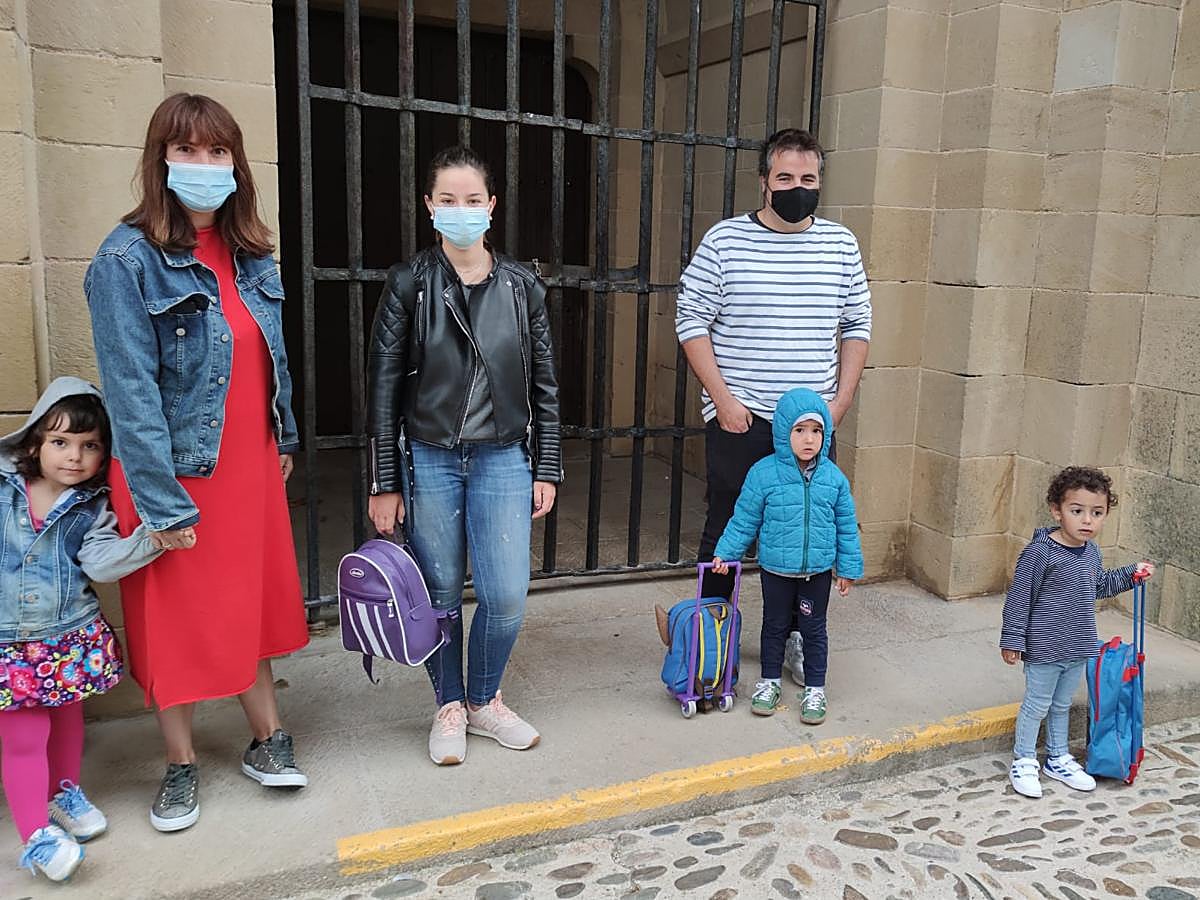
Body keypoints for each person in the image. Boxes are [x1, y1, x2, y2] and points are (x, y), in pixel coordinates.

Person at [84, 94, 310, 833]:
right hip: (174, 473)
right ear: (160, 161)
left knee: (250, 603)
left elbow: (268, 361)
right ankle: (179, 764)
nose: (205, 166)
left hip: (249, 466)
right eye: (188, 151)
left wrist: (284, 437)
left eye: (219, 153)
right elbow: (130, 394)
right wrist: (161, 503)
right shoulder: (125, 260)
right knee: (176, 619)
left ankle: (265, 739)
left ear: (236, 164)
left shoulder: (252, 256)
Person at [367, 145, 562, 767]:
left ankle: (483, 700)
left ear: (491, 206)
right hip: (430, 458)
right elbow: (383, 390)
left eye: (471, 200)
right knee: (443, 592)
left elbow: (546, 385)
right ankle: (449, 704)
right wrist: (384, 481)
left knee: (505, 596)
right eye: (447, 200)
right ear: (429, 207)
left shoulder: (522, 286)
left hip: (504, 457)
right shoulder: (408, 284)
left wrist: (549, 464)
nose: (460, 211)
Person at [675, 128, 872, 684]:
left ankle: (790, 639)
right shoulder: (725, 242)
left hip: (810, 424)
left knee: (806, 534)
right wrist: (721, 398)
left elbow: (857, 324)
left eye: (808, 179)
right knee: (728, 527)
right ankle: (711, 634)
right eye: (785, 178)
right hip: (741, 416)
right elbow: (691, 321)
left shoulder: (840, 246)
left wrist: (842, 400)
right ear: (764, 181)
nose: (796, 187)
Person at [0, 378, 160, 881]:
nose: (74, 456)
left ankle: (62, 794)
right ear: (33, 443)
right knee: (24, 736)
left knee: (68, 717)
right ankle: (35, 837)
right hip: (9, 640)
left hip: (68, 633)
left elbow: (101, 563)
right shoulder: (5, 490)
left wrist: (152, 541)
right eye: (61, 442)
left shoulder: (92, 507)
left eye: (90, 446)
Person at [710, 387, 863, 725]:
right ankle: (769, 682)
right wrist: (725, 553)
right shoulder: (763, 475)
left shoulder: (833, 479)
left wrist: (847, 569)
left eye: (817, 430)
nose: (809, 439)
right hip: (776, 570)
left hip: (817, 572)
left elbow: (846, 526)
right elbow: (743, 519)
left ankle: (816, 688)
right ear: (783, 432)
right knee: (774, 625)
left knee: (814, 630)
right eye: (800, 430)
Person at [1000, 466, 1154, 799]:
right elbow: (1019, 597)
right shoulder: (1040, 553)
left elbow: (1098, 585)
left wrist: (1131, 574)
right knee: (1036, 705)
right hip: (1044, 648)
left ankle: (1057, 758)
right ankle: (1024, 759)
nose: (1087, 520)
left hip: (1079, 646)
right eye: (1077, 511)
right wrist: (1012, 639)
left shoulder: (1091, 552)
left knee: (1062, 705)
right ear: (1057, 510)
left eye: (1097, 513)